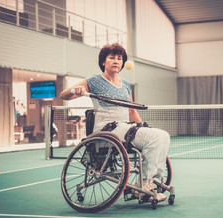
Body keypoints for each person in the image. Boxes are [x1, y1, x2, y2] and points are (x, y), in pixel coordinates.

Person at [60, 43, 170, 201]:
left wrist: (143, 126)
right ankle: (144, 185)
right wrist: (74, 91)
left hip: (126, 127)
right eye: (112, 57)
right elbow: (63, 95)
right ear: (103, 62)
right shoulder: (94, 80)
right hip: (107, 128)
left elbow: (131, 111)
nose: (116, 61)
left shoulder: (125, 84)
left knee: (163, 135)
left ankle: (152, 180)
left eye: (119, 58)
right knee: (153, 138)